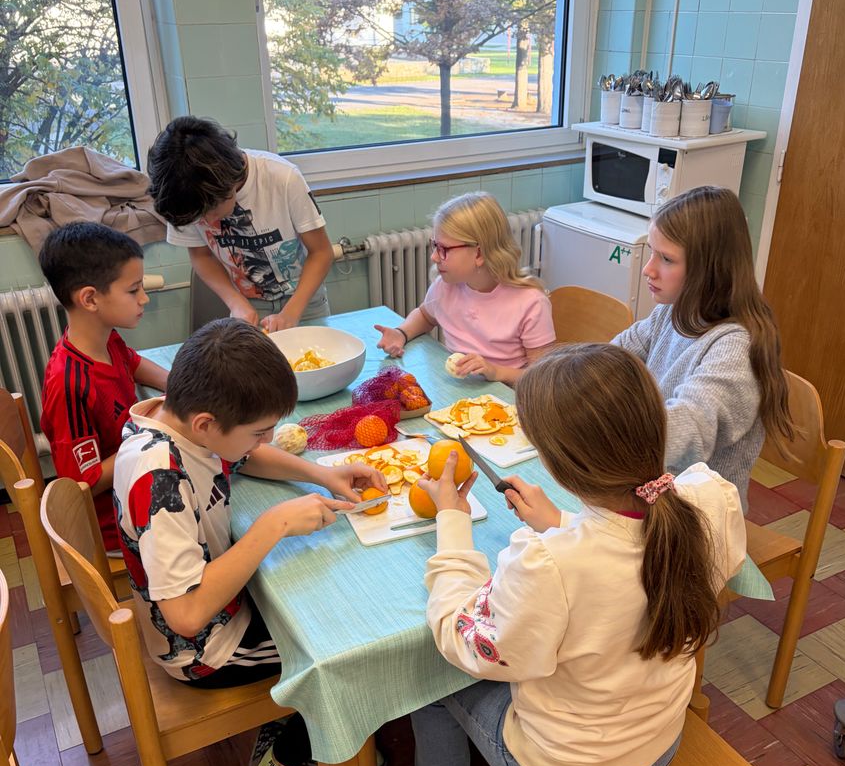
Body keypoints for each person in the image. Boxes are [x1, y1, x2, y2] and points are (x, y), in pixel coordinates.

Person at [394, 343, 746, 766]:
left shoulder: (548, 564)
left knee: (429, 687)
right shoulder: (709, 500)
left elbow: (467, 641)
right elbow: (625, 559)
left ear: (556, 467)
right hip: (659, 742)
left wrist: (451, 517)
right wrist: (563, 523)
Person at [112, 318, 387, 766]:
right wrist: (273, 525)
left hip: (220, 606)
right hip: (205, 650)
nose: (264, 442)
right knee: (357, 649)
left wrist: (322, 474)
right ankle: (296, 744)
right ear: (206, 424)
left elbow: (241, 457)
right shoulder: (159, 479)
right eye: (259, 432)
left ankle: (322, 718)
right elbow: (187, 615)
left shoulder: (177, 424)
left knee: (330, 588)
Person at [612, 185, 795, 508]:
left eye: (666, 259)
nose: (648, 269)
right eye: (652, 252)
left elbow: (686, 429)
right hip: (655, 490)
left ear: (708, 270)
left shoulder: (736, 348)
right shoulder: (672, 311)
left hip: (700, 516)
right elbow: (611, 360)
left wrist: (597, 430)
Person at [39, 222, 169, 553]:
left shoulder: (104, 336)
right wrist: (152, 434)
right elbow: (83, 482)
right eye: (133, 289)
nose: (144, 298)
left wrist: (179, 383)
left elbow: (133, 363)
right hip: (114, 525)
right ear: (90, 299)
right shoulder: (69, 384)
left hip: (133, 486)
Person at [146, 116, 333, 332]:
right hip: (249, 304)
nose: (206, 222)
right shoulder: (184, 196)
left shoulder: (283, 178)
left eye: (210, 212)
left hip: (304, 299)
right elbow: (200, 255)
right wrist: (236, 302)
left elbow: (321, 252)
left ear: (230, 185)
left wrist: (291, 313)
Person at [374, 192, 556, 386]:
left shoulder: (530, 303)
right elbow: (425, 316)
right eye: (434, 246)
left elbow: (543, 378)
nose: (434, 257)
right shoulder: (445, 287)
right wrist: (401, 333)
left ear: (479, 253)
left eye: (444, 249)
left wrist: (495, 372)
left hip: (510, 399)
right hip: (461, 391)